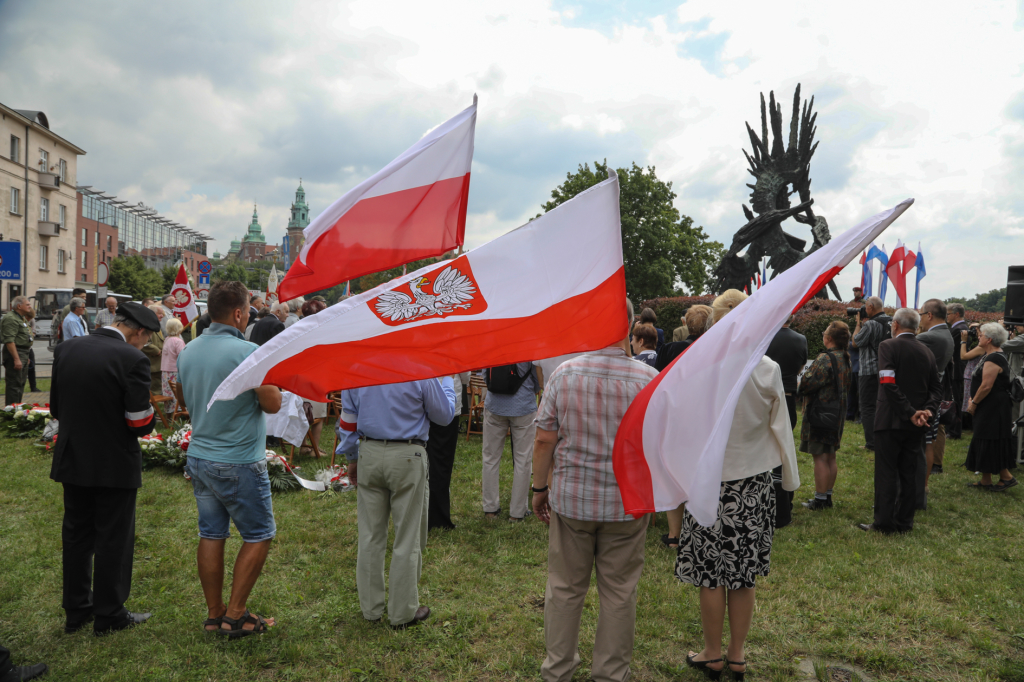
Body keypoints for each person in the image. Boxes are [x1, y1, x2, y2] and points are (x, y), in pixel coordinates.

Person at [676, 290, 799, 681]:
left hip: (709, 481)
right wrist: (791, 479)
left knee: (711, 575)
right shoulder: (768, 368)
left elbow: (685, 423)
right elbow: (782, 426)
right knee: (743, 575)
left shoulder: (698, 366)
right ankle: (737, 654)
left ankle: (712, 653)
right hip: (754, 484)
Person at [531, 298, 657, 682]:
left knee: (566, 588)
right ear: (632, 329)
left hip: (573, 500)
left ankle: (558, 670)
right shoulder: (649, 381)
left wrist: (539, 488)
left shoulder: (565, 374)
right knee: (619, 592)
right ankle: (610, 674)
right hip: (626, 505)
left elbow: (543, 440)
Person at [176, 281, 283, 638]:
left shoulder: (189, 350)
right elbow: (272, 404)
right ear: (239, 313)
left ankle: (214, 613)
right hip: (237, 458)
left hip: (201, 454)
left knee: (211, 533)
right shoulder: (247, 352)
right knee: (259, 534)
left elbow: (182, 394)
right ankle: (235, 616)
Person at [50, 302, 160, 635]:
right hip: (114, 462)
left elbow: (56, 406)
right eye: (145, 339)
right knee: (113, 538)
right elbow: (140, 422)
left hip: (73, 457)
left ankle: (76, 608)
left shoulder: (68, 349)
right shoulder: (132, 359)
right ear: (137, 332)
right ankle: (109, 612)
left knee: (77, 535)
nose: (144, 346)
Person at [336, 376, 456, 628]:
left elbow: (348, 418)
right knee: (408, 536)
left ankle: (371, 609)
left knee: (369, 535)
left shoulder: (359, 367)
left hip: (369, 451)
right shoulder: (421, 368)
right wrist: (446, 380)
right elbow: (444, 416)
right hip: (408, 455)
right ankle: (402, 613)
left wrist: (352, 456)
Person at [858, 308, 941, 535]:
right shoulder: (927, 352)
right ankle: (905, 522)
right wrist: (925, 411)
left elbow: (887, 381)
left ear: (894, 325)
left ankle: (884, 523)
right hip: (916, 423)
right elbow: (936, 388)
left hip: (891, 420)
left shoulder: (888, 346)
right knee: (909, 471)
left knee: (886, 473)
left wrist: (910, 411)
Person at [656, 304, 714, 549]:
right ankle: (701, 530)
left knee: (673, 475)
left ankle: (675, 535)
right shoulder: (714, 349)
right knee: (701, 473)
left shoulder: (668, 349)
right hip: (703, 419)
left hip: (673, 419)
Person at [797, 321, 852, 510]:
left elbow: (807, 383)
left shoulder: (825, 358)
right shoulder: (845, 357)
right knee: (830, 455)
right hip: (837, 412)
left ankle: (819, 500)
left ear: (828, 338)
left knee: (819, 456)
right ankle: (827, 497)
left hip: (821, 413)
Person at [481, 361, 542, 521]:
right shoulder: (528, 344)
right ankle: (517, 512)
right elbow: (537, 377)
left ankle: (490, 508)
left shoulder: (493, 341)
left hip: (494, 403)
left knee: (490, 458)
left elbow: (485, 374)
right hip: (523, 405)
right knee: (523, 459)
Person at [964, 323, 1017, 491]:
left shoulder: (994, 358)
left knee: (990, 439)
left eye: (981, 335)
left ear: (989, 339)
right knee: (984, 437)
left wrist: (974, 403)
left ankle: (1006, 477)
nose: (978, 337)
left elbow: (987, 385)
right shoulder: (991, 355)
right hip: (992, 405)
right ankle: (986, 479)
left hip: (993, 406)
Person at [915, 299, 954, 504]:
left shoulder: (930, 336)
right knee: (929, 441)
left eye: (921, 314)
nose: (919, 319)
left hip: (923, 396)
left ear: (929, 315)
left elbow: (903, 346)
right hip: (934, 394)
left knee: (924, 443)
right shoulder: (946, 333)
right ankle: (924, 484)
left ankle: (920, 485)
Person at [426, 371, 470, 530]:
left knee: (427, 461)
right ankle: (438, 518)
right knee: (443, 462)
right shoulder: (456, 347)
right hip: (447, 403)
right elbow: (466, 377)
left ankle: (427, 515)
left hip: (425, 402)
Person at [851, 296, 890, 451]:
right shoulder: (892, 321)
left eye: (865, 307)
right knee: (884, 405)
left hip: (869, 370)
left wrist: (858, 324)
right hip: (887, 369)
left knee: (867, 407)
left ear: (871, 307)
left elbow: (855, 342)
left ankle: (871, 443)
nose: (864, 309)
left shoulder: (871, 324)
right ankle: (885, 439)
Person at [765, 314, 807, 428]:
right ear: (793, 318)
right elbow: (802, 366)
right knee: (787, 428)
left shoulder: (766, 337)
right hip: (788, 391)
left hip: (766, 390)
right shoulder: (801, 339)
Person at [298, 299, 329, 454]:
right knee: (318, 416)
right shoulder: (322, 330)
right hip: (316, 375)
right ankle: (314, 448)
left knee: (302, 413)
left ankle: (304, 446)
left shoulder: (298, 327)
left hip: (299, 375)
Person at [656, 305, 712, 374]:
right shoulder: (714, 350)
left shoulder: (668, 349)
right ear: (710, 324)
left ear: (687, 322)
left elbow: (656, 377)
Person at [2, 296, 34, 405]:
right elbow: (10, 341)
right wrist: (16, 359)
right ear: (19, 306)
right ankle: (11, 414)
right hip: (16, 352)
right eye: (28, 304)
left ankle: (17, 409)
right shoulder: (11, 318)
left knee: (20, 383)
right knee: (14, 385)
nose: (30, 306)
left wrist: (26, 357)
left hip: (23, 352)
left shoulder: (20, 317)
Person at [947, 303, 969, 438]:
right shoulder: (960, 328)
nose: (946, 317)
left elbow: (952, 350)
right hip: (956, 369)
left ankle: (954, 431)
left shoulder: (958, 329)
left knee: (954, 400)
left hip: (955, 369)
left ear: (956, 314)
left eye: (948, 314)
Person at [1003, 324, 1024, 464]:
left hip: (1019, 386)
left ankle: (1016, 451)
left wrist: (1001, 331)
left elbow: (1001, 345)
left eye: (1019, 323)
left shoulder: (1022, 340)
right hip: (1018, 383)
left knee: (1016, 419)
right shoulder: (1019, 338)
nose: (1016, 326)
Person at [960, 323, 986, 431]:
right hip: (972, 375)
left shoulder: (981, 347)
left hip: (972, 376)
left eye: (979, 332)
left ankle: (975, 428)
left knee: (972, 405)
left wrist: (963, 341)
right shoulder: (982, 345)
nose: (977, 335)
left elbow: (963, 356)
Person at [161, 318, 186, 413]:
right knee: (177, 392)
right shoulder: (178, 341)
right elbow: (182, 356)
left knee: (168, 392)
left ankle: (169, 411)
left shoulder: (167, 339)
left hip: (165, 370)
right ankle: (179, 410)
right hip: (175, 370)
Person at [141, 305, 166, 395]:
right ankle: (154, 407)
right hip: (152, 363)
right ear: (152, 314)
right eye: (159, 313)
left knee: (157, 388)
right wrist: (157, 351)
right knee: (153, 391)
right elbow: (144, 343)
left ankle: (156, 406)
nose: (162, 316)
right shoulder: (146, 325)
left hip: (157, 363)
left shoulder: (155, 324)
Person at [846, 340, 860, 422]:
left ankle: (860, 416)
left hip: (861, 369)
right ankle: (849, 415)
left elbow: (853, 345)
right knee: (850, 394)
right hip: (853, 368)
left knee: (861, 394)